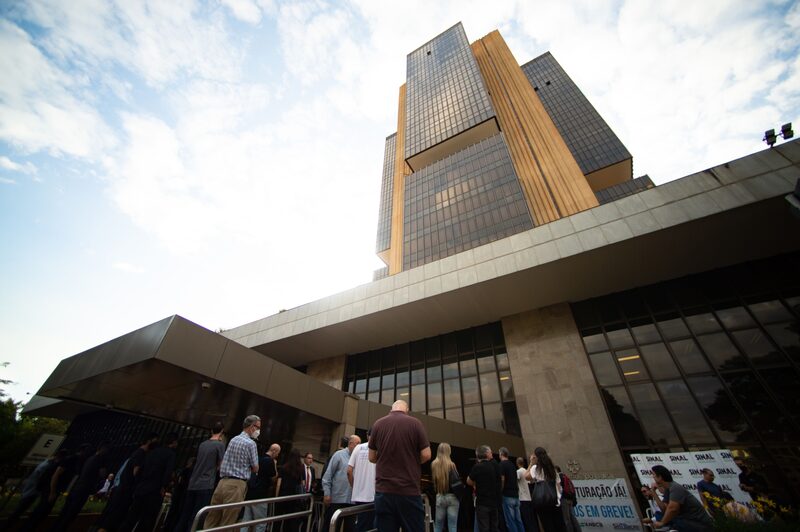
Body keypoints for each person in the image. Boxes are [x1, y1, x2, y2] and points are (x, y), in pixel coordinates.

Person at [368, 400, 431, 532]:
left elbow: (372, 457)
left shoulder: (378, 424)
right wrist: (411, 461)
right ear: (406, 409)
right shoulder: (415, 423)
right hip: (409, 491)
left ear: (391, 409)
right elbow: (426, 454)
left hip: (384, 492)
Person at [204, 414, 261, 529]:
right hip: (236, 485)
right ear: (251, 427)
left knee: (212, 518)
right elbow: (256, 468)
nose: (259, 430)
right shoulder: (251, 444)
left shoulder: (233, 439)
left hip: (222, 483)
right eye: (258, 427)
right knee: (228, 521)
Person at [97, 432, 160, 532]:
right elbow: (136, 472)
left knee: (112, 518)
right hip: (125, 491)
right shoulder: (141, 454)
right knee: (112, 520)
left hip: (123, 490)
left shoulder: (137, 453)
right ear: (149, 441)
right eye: (156, 441)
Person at [120, 432, 179, 532]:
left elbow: (140, 470)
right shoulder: (171, 454)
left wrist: (139, 483)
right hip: (154, 491)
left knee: (131, 517)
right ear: (174, 442)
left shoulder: (152, 451)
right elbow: (168, 472)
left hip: (141, 488)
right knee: (147, 521)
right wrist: (164, 486)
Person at [175, 421, 226, 532]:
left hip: (193, 483)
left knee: (185, 515)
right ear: (222, 431)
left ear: (211, 430)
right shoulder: (220, 445)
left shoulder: (202, 444)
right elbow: (221, 465)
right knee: (198, 517)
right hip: (206, 484)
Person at [52, 441, 112, 532]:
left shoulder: (89, 458)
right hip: (82, 491)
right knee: (70, 515)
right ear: (103, 449)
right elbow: (102, 474)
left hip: (76, 488)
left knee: (64, 513)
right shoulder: (99, 460)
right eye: (107, 450)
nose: (108, 452)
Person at [1, 450, 68, 531]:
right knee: (19, 510)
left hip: (31, 490)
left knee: (19, 510)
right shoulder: (47, 465)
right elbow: (37, 477)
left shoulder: (47, 462)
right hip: (32, 490)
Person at [645, 465, 713, 532]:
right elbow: (665, 509)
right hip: (687, 521)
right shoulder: (668, 490)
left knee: (669, 519)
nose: (652, 477)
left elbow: (673, 509)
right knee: (663, 516)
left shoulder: (675, 487)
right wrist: (653, 492)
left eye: (653, 474)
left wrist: (662, 523)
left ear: (660, 477)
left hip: (698, 523)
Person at [242, 443, 281, 532]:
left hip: (250, 493)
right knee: (261, 523)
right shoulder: (270, 461)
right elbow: (274, 478)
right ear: (274, 451)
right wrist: (275, 464)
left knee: (245, 521)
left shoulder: (258, 458)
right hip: (261, 495)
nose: (278, 455)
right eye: (278, 453)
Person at [323, 435, 360, 531]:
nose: (359, 446)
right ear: (350, 444)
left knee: (350, 529)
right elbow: (328, 475)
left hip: (352, 502)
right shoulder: (338, 455)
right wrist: (327, 494)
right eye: (358, 444)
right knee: (332, 528)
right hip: (336, 500)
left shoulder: (359, 459)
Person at [524, 448, 564, 532]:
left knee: (548, 526)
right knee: (559, 526)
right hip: (555, 501)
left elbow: (526, 476)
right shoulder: (552, 469)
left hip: (543, 502)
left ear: (536, 457)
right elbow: (559, 486)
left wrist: (531, 463)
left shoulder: (536, 468)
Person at [467, 445, 501, 532]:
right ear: (486, 454)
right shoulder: (494, 465)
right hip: (494, 501)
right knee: (494, 527)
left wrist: (476, 484)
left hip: (482, 502)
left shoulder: (477, 467)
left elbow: (469, 481)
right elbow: (500, 479)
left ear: (477, 455)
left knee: (484, 527)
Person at [348, 431, 376, 532]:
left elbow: (349, 471)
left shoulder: (358, 448)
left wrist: (354, 486)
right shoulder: (379, 449)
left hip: (358, 495)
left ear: (367, 435)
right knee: (370, 526)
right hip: (372, 495)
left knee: (360, 524)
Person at [431, 442, 460, 532]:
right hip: (452, 497)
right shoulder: (452, 465)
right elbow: (457, 483)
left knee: (438, 525)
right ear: (448, 452)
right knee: (452, 526)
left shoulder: (434, 464)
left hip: (440, 496)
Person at [277, 449, 306, 532]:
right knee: (289, 520)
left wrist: (276, 496)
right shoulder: (301, 469)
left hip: (282, 495)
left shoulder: (283, 467)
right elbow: (303, 484)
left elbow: (279, 483)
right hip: (294, 498)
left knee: (277, 519)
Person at [498, 447, 524, 532]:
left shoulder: (502, 464)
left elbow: (502, 479)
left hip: (507, 495)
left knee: (510, 521)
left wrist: (500, 491)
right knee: (518, 520)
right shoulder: (512, 465)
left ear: (501, 454)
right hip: (516, 495)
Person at [555, 466, 580, 532]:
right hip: (570, 499)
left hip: (563, 499)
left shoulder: (559, 477)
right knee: (572, 517)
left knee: (567, 519)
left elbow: (559, 489)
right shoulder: (565, 476)